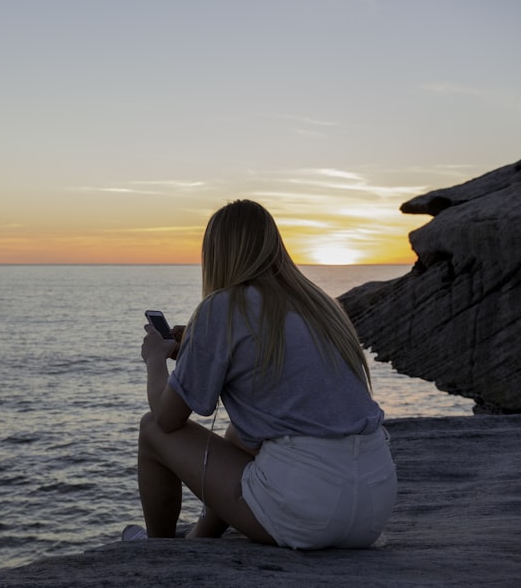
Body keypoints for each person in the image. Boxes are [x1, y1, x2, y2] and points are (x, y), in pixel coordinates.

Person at [131, 199, 396, 550]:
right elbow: (274, 367)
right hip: (373, 505)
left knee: (150, 430)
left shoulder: (223, 307)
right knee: (239, 433)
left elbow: (167, 419)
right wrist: (195, 351)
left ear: (217, 254)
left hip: (310, 511)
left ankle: (158, 552)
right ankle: (200, 541)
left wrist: (155, 359)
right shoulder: (319, 305)